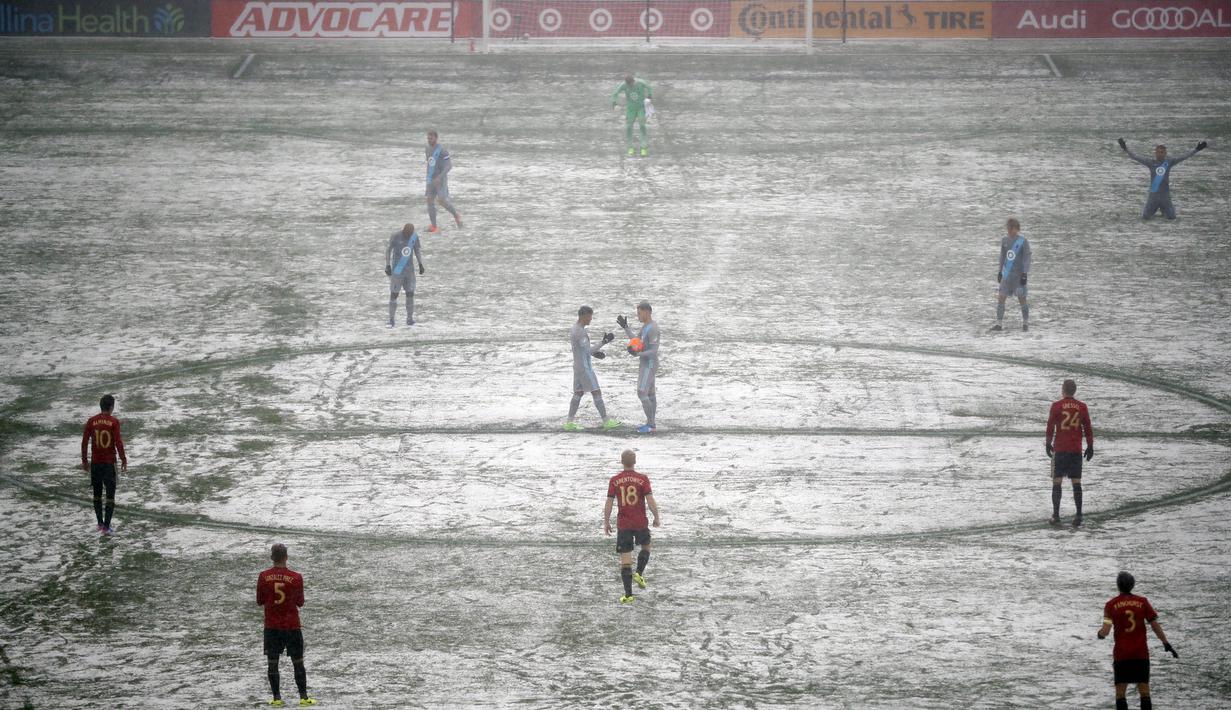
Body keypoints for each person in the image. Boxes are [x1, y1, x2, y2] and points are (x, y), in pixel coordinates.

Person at [1098, 571, 1178, 710]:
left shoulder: (1111, 605)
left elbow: (1105, 631)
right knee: (1145, 692)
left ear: (1118, 586)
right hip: (1140, 653)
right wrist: (1165, 642)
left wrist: (1100, 634)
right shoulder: (1143, 602)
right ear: (1132, 585)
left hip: (1122, 655)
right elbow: (1154, 625)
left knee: (1120, 693)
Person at [257, 544, 316, 707]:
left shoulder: (263, 576)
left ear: (272, 557)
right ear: (286, 557)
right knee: (298, 662)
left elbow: (259, 601)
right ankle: (304, 698)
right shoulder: (296, 577)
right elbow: (300, 602)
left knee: (273, 663)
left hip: (272, 626)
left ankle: (276, 699)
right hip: (291, 626)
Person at [603, 449, 660, 604]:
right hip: (640, 521)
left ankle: (628, 595)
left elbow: (609, 503)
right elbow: (650, 500)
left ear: (622, 462)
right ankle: (639, 573)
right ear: (635, 462)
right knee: (646, 546)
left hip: (624, 524)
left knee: (625, 561)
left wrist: (606, 521)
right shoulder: (643, 479)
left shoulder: (615, 480)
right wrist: (656, 516)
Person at [1118, 138, 1207, 220]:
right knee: (1145, 218)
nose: (1160, 154)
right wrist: (1125, 149)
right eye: (1158, 152)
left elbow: (1184, 156)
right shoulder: (1150, 163)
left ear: (1165, 154)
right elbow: (1136, 157)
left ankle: (1163, 212)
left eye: (1162, 152)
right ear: (1155, 153)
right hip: (1153, 197)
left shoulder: (1169, 162)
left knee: (1172, 219)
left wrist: (1197, 149)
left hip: (1165, 197)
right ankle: (1161, 212)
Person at [1045, 379, 1094, 526]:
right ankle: (1078, 515)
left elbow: (1050, 427)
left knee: (1057, 482)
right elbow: (1088, 428)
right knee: (1076, 482)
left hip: (1060, 449)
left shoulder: (1056, 406)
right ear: (1075, 390)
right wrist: (1090, 446)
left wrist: (1048, 443)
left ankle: (1056, 515)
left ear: (1063, 390)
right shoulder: (1082, 407)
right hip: (1075, 449)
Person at [566, 305, 621, 432]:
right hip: (585, 368)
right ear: (583, 316)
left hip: (578, 366)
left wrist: (596, 352)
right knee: (596, 392)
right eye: (590, 317)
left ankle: (569, 422)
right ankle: (606, 421)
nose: (591, 319)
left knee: (578, 393)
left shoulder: (575, 329)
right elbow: (587, 351)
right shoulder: (579, 332)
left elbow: (584, 351)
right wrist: (604, 342)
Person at [81, 394, 127, 535]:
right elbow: (118, 442)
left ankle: (100, 524)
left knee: (97, 494)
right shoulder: (114, 422)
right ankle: (106, 526)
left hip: (95, 463)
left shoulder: (91, 421)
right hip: (109, 463)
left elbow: (84, 442)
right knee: (110, 495)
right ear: (111, 407)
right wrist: (123, 458)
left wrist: (85, 460)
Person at [618, 301, 660, 434]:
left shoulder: (653, 328)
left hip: (650, 364)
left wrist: (638, 353)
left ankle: (651, 424)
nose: (638, 316)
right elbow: (637, 341)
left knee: (641, 392)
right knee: (650, 393)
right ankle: (652, 423)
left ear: (647, 312)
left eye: (639, 313)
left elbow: (654, 350)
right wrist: (626, 327)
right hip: (645, 364)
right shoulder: (645, 326)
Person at [992, 218, 1030, 332]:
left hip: (1018, 276)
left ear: (1016, 229)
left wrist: (1025, 273)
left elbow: (1027, 258)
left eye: (1011, 228)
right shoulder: (1004, 241)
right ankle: (998, 324)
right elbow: (1002, 256)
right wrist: (1000, 271)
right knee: (1001, 297)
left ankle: (1025, 323)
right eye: (1008, 228)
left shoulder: (1023, 241)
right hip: (1007, 275)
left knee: (1022, 299)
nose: (1009, 230)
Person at [384, 223, 424, 327]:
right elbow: (388, 250)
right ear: (404, 231)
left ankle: (409, 319)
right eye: (407, 233)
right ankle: (391, 319)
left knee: (410, 294)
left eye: (410, 234)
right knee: (394, 294)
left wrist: (420, 264)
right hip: (398, 270)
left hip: (409, 271)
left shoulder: (414, 237)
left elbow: (417, 250)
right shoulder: (395, 236)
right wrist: (388, 265)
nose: (408, 236)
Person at [424, 130, 462, 233]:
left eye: (431, 138)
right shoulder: (427, 148)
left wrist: (440, 177)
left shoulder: (442, 151)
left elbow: (449, 166)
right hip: (430, 180)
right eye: (428, 138)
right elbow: (429, 163)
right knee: (429, 200)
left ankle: (456, 215)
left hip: (440, 180)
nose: (429, 140)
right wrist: (428, 178)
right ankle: (434, 226)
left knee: (441, 201)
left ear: (436, 138)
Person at [611, 74, 652, 157]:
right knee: (629, 127)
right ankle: (630, 147)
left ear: (634, 81)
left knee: (642, 126)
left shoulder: (640, 82)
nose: (631, 85)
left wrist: (649, 96)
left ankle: (643, 148)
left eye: (632, 84)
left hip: (641, 108)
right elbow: (615, 93)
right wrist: (614, 103)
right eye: (629, 85)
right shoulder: (623, 85)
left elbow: (649, 87)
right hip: (631, 109)